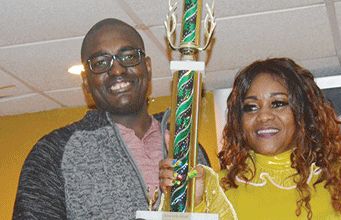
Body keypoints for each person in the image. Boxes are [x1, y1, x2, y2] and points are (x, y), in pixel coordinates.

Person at [13, 18, 209, 219]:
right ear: (86, 83)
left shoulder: (188, 146)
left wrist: (201, 204)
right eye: (100, 63)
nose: (117, 70)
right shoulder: (54, 151)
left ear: (148, 68)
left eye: (129, 56)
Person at [160, 57, 341, 219]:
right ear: (239, 121)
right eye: (251, 107)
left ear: (304, 111)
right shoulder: (215, 187)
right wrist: (190, 203)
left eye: (278, 103)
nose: (263, 116)